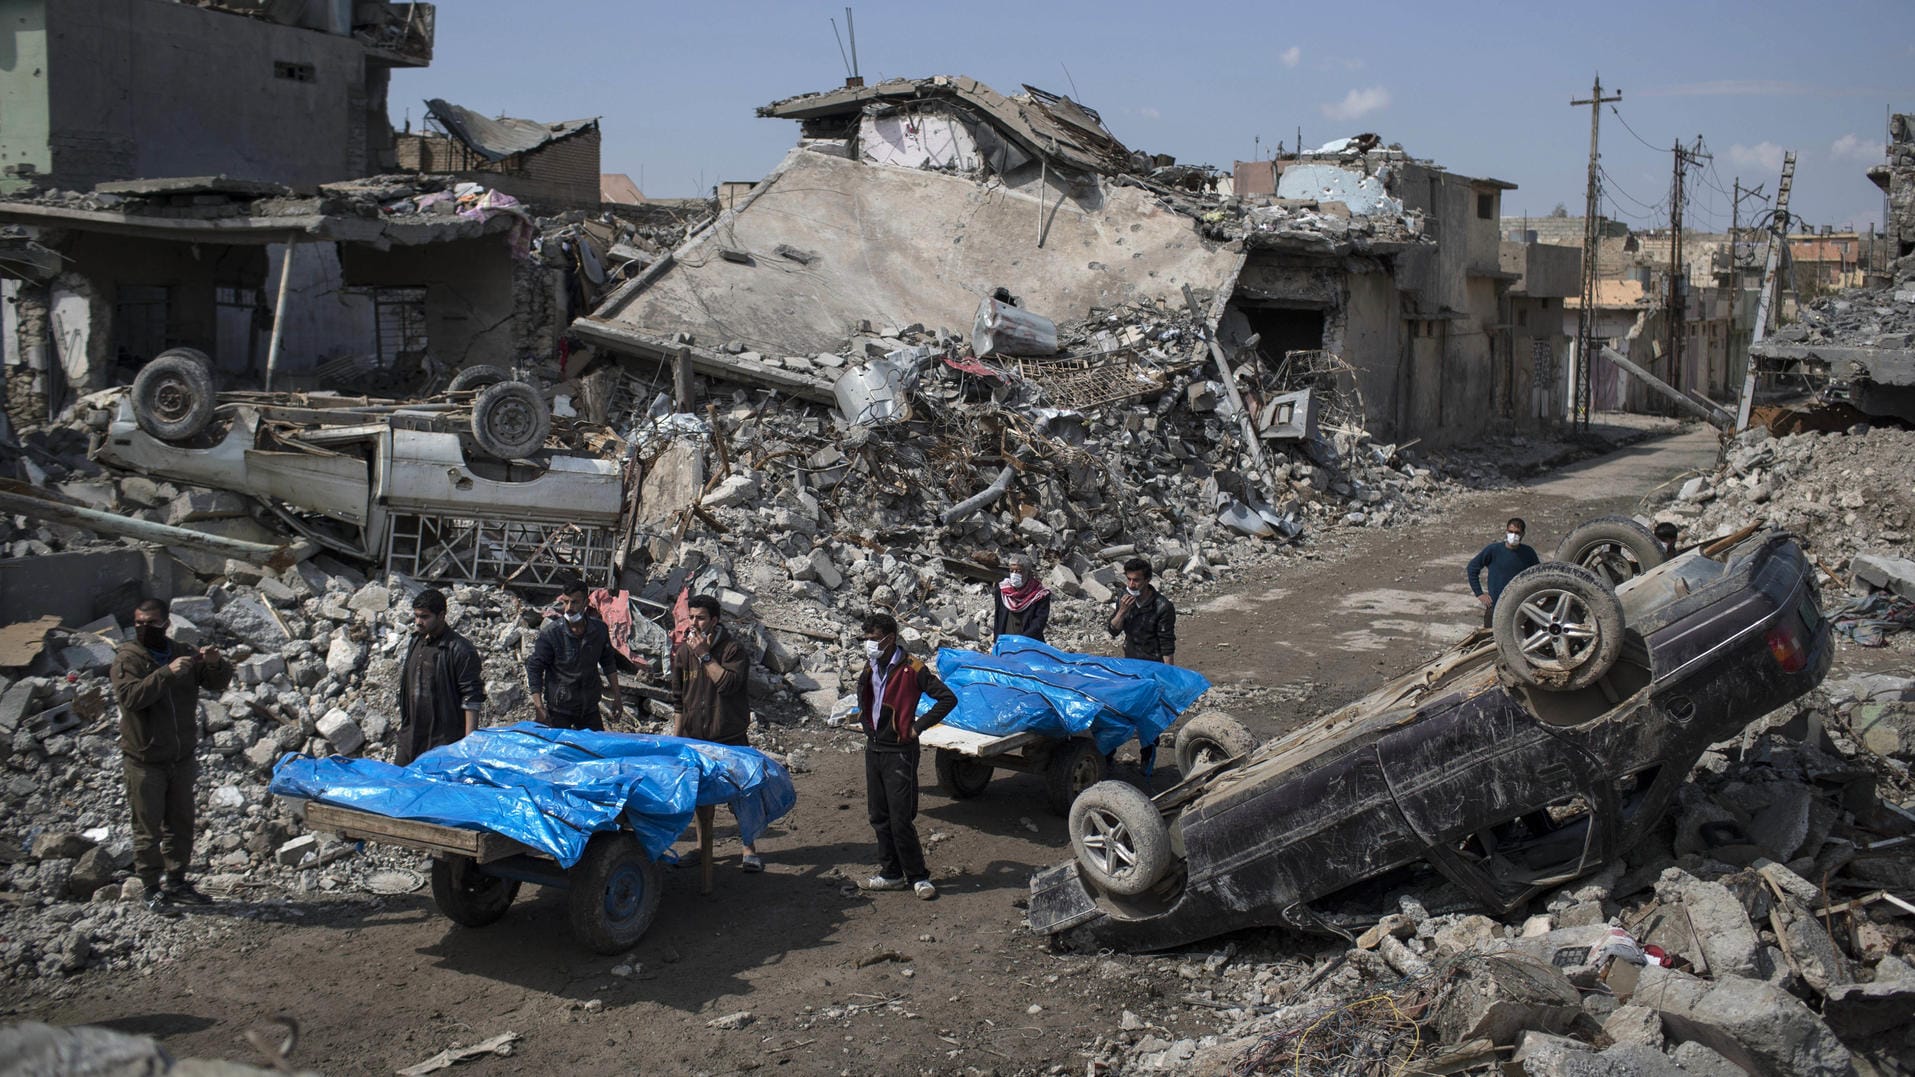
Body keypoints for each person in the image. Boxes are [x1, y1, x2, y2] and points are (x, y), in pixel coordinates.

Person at [110, 597, 233, 910]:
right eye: (138, 622)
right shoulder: (129, 658)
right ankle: (151, 887)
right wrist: (165, 674)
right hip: (145, 759)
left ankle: (177, 880)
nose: (144, 628)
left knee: (180, 823)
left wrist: (215, 662)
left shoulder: (180, 652)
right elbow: (131, 698)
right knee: (147, 828)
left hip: (180, 757)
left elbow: (217, 682)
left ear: (165, 623)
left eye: (150, 622)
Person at [854, 612, 957, 900]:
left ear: (890, 638)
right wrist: (865, 722)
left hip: (899, 752)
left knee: (901, 817)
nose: (869, 645)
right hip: (874, 749)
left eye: (874, 639)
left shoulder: (913, 668)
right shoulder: (871, 665)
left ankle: (918, 876)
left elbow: (947, 698)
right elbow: (866, 697)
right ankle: (891, 873)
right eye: (867, 639)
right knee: (879, 815)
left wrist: (917, 727)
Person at [670, 593, 762, 872]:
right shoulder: (684, 652)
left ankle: (749, 849)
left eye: (701, 618)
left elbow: (727, 685)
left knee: (741, 794)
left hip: (728, 735)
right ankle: (701, 846)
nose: (695, 623)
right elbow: (678, 698)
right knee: (700, 798)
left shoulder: (732, 650)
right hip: (696, 736)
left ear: (714, 620)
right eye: (692, 617)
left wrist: (705, 655)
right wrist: (676, 740)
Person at [396, 588, 485, 765]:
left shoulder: (460, 649)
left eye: (425, 617)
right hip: (410, 735)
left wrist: (467, 745)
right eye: (416, 616)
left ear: (441, 615)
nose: (418, 622)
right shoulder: (416, 641)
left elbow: (471, 698)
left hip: (442, 740)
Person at [526, 580, 623, 731]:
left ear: (586, 603)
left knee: (593, 750)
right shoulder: (552, 634)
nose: (569, 608)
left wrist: (617, 696)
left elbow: (608, 663)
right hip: (559, 710)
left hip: (589, 709)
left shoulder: (599, 631)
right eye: (566, 602)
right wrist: (539, 707)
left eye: (575, 602)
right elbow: (534, 668)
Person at [1466, 517, 1542, 628]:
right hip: (1496, 606)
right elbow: (1472, 568)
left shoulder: (1528, 553)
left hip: (1520, 606)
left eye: (1517, 532)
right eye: (1511, 532)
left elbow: (1538, 575)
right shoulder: (1493, 550)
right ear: (1506, 532)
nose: (1513, 535)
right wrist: (1479, 593)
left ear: (1523, 534)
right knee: (1489, 639)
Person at [1107, 557, 1175, 665]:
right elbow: (1113, 631)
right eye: (1129, 579)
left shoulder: (1162, 606)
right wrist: (1122, 612)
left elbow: (1166, 645)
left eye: (1136, 580)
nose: (1131, 585)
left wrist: (1169, 673)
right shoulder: (1124, 597)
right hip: (1131, 660)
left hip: (1153, 663)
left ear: (1147, 580)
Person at [992, 553, 1052, 644]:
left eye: (1019, 571)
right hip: (1005, 643)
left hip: (1029, 644)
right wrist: (997, 642)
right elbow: (998, 618)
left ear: (1027, 573)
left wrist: (1022, 641)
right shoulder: (1002, 591)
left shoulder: (1039, 595)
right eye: (1012, 571)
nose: (1014, 575)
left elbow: (1039, 623)